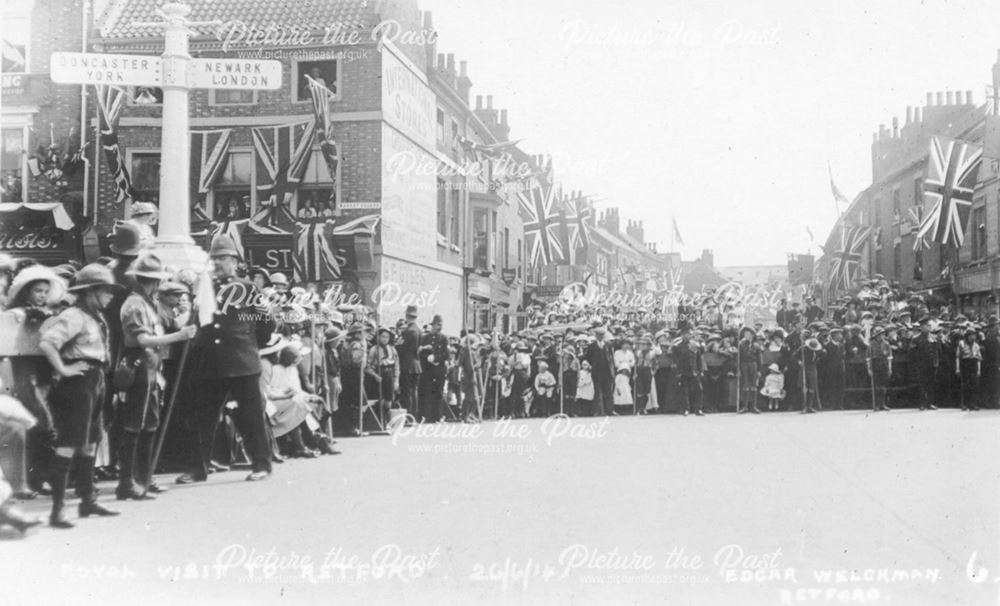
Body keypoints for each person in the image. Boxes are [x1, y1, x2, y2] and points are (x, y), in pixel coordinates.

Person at [176, 235, 275, 484]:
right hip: (210, 362)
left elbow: (267, 324)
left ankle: (261, 464)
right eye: (215, 258)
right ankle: (197, 469)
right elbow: (195, 322)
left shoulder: (248, 288)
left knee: (251, 417)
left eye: (224, 258)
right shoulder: (203, 288)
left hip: (242, 362)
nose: (218, 263)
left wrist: (250, 346)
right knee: (203, 419)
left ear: (235, 261)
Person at [38, 263, 123, 528]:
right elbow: (47, 343)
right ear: (90, 291)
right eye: (106, 290)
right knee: (69, 444)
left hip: (94, 380)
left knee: (90, 442)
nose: (110, 295)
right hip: (78, 384)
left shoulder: (93, 315)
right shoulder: (75, 315)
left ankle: (88, 500)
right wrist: (63, 368)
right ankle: (58, 511)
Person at [115, 254, 196, 500]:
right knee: (134, 426)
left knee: (149, 424)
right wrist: (179, 336)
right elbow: (143, 340)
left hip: (152, 367)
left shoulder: (147, 303)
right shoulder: (134, 305)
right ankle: (127, 482)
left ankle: (144, 477)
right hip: (138, 364)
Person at [419, 315, 450, 422]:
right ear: (433, 325)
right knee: (427, 392)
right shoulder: (425, 338)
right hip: (428, 370)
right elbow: (420, 353)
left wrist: (436, 358)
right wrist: (427, 358)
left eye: (441, 325)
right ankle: (428, 416)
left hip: (439, 370)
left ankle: (438, 416)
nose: (439, 327)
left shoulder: (444, 338)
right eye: (437, 325)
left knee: (438, 393)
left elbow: (446, 354)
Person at [584, 326, 616, 416]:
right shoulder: (592, 346)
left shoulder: (608, 345)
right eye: (598, 335)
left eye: (602, 335)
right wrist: (593, 366)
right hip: (597, 372)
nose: (600, 336)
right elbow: (588, 358)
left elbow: (611, 358)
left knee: (608, 392)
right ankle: (597, 411)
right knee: (597, 392)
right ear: (595, 335)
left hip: (607, 371)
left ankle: (609, 410)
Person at [398, 306, 422, 417]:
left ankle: (408, 414)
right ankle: (415, 414)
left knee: (406, 391)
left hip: (407, 364)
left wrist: (395, 346)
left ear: (407, 316)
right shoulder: (419, 330)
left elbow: (402, 348)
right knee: (414, 391)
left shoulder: (408, 331)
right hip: (416, 364)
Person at [956, 328, 981, 411]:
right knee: (965, 385)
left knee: (974, 385)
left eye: (973, 335)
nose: (972, 337)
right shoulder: (961, 343)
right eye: (970, 335)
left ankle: (972, 404)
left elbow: (979, 359)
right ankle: (964, 404)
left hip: (973, 364)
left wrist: (978, 370)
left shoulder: (976, 345)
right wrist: (957, 368)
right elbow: (958, 357)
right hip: (965, 364)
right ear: (967, 336)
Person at [737, 327, 761, 413]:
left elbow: (759, 359)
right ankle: (745, 406)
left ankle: (754, 406)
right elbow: (739, 358)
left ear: (752, 335)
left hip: (753, 365)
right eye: (745, 334)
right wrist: (739, 369)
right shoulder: (741, 345)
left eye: (748, 334)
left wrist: (759, 370)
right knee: (745, 385)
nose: (746, 335)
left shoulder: (756, 346)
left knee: (754, 386)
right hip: (744, 365)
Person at [868, 326, 892, 412]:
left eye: (882, 334)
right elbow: (868, 359)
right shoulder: (871, 345)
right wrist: (869, 369)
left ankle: (882, 404)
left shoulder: (886, 344)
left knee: (883, 387)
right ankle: (876, 405)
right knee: (876, 387)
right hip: (875, 365)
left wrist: (889, 368)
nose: (881, 336)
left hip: (884, 365)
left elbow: (889, 357)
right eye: (879, 335)